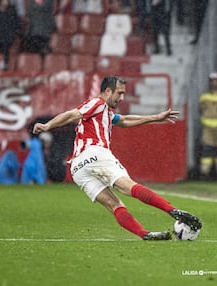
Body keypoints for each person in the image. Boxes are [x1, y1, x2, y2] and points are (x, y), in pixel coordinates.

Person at [33, 75, 202, 240]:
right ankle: (172, 211)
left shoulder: (106, 112)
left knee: (114, 204)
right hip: (95, 153)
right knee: (128, 187)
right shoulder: (97, 103)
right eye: (119, 93)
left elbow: (125, 121)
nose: (122, 98)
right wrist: (48, 125)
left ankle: (144, 234)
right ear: (107, 91)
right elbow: (72, 114)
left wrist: (155, 118)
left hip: (78, 168)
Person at [0, 0, 20, 71]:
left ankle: (5, 66)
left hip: (8, 38)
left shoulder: (12, 10)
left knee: (6, 53)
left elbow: (15, 24)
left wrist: (13, 36)